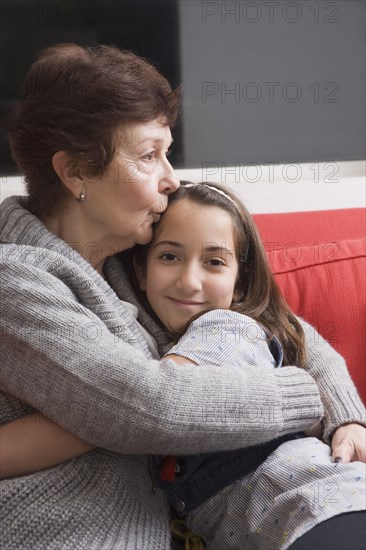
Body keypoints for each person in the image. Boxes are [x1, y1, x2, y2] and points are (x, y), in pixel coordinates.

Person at [0, 43, 364, 549]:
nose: (171, 178)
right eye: (150, 156)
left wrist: (346, 413)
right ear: (75, 171)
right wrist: (302, 393)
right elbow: (147, 409)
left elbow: (276, 323)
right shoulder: (15, 282)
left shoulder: (131, 263)